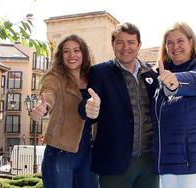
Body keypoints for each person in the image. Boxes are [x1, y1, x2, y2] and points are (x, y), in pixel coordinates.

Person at [79, 22, 161, 188]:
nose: (125, 47)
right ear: (113, 45)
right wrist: (90, 110)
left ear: (139, 45)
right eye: (120, 42)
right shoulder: (100, 72)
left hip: (149, 164)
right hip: (114, 164)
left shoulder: (152, 76)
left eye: (131, 42)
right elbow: (86, 106)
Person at [153, 22, 196, 188]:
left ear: (191, 42)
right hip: (166, 161)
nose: (175, 46)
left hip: (194, 161)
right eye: (170, 42)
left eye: (180, 40)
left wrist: (175, 82)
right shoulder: (158, 78)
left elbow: (195, 79)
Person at [29, 34, 98, 188]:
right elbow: (49, 93)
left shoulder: (93, 77)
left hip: (88, 153)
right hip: (60, 153)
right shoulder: (55, 77)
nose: (71, 55)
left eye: (76, 50)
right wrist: (43, 107)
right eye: (66, 51)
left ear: (84, 53)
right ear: (61, 55)